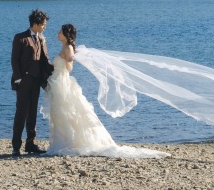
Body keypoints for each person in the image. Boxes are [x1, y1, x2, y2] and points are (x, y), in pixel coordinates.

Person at [40, 24, 169, 158]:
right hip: (58, 82)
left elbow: (70, 67)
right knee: (61, 112)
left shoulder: (69, 48)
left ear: (66, 35)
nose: (58, 33)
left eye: (60, 31)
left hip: (63, 82)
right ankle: (63, 140)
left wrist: (70, 58)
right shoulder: (64, 47)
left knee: (67, 111)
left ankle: (68, 141)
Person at [11, 9, 54, 157]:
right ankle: (16, 146)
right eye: (43, 24)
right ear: (35, 24)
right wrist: (18, 79)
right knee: (21, 113)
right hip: (23, 82)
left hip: (36, 82)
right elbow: (14, 60)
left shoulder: (41, 38)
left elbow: (45, 61)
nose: (44, 27)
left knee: (33, 113)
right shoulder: (20, 38)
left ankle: (30, 143)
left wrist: (57, 70)